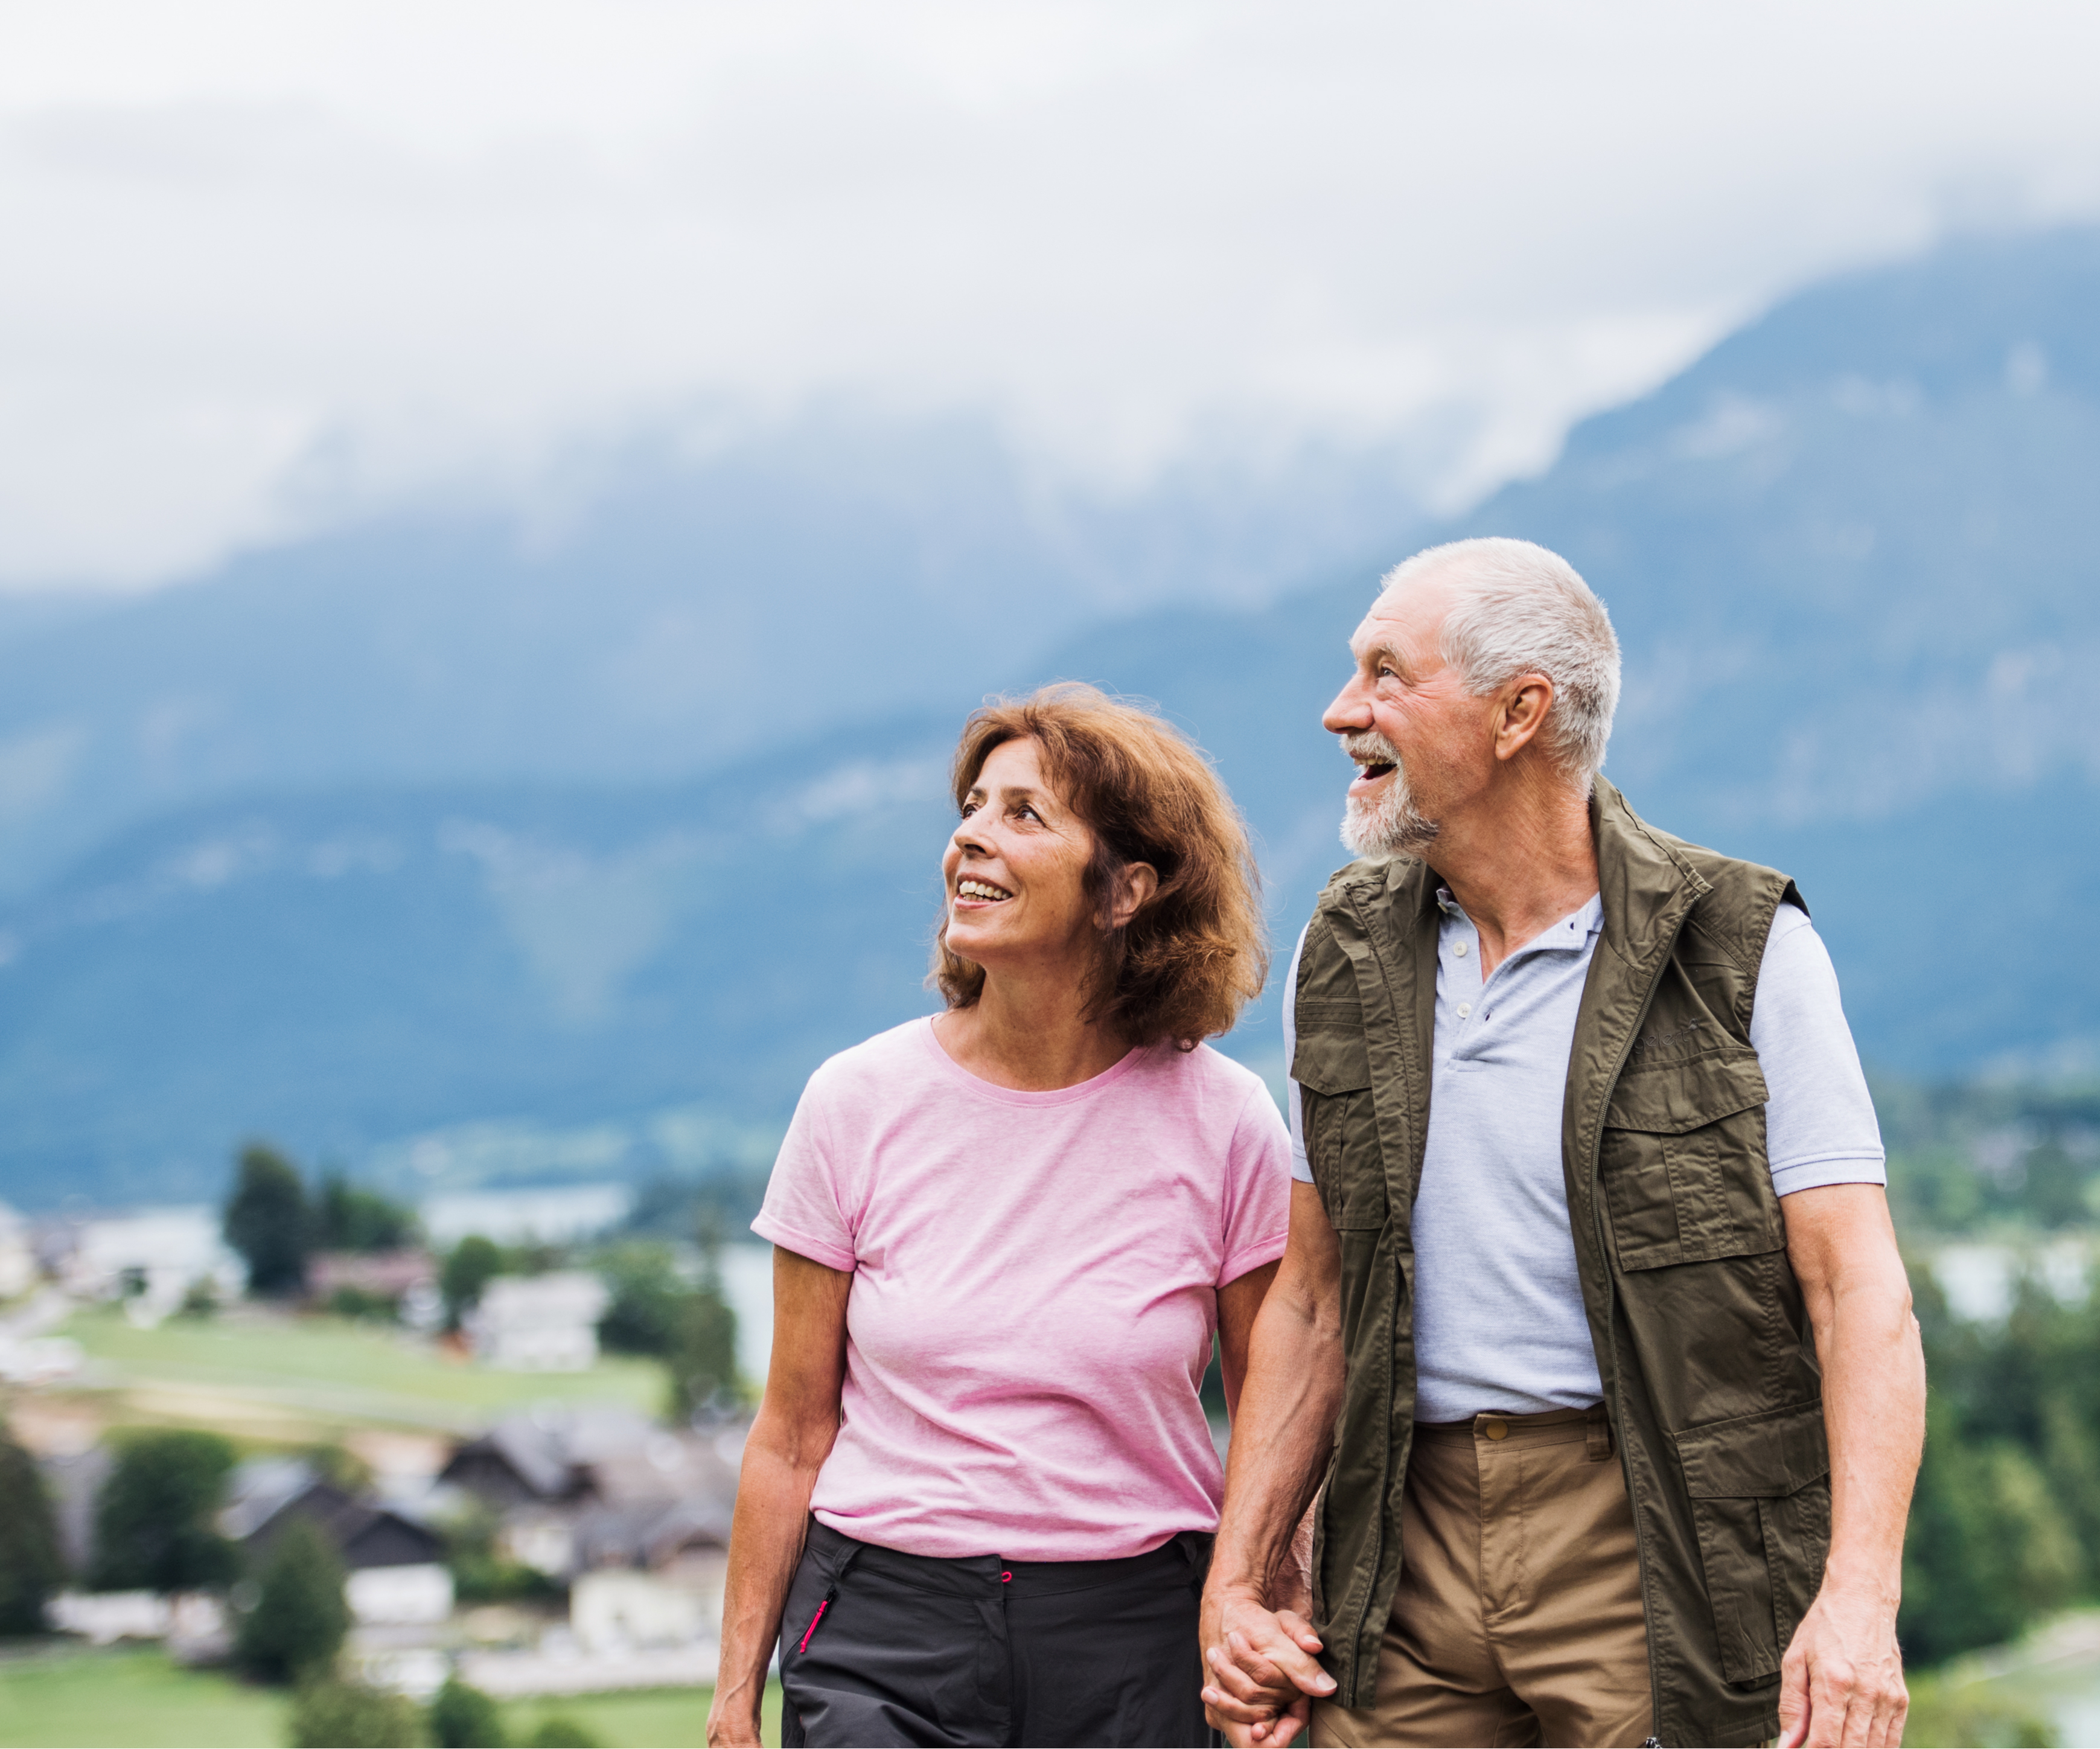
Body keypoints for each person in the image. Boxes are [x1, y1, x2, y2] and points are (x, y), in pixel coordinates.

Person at [1198, 539, 1924, 1749]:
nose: (1340, 713)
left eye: (1385, 674)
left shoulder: (1741, 945)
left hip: (1656, 1542)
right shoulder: (1343, 949)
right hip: (1399, 1542)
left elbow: (1857, 1293)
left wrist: (1859, 1598)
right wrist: (1244, 1576)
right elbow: (1312, 1302)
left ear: (1518, 713)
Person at [707, 685, 1291, 1749]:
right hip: (884, 1625)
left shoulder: (1229, 1120)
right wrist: (734, 1701)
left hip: (1139, 1636)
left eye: (1024, 813)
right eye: (973, 806)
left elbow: (1273, 1421)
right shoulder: (854, 1100)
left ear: (1126, 890)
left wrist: (1274, 1621)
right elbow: (790, 1433)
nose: (970, 836)